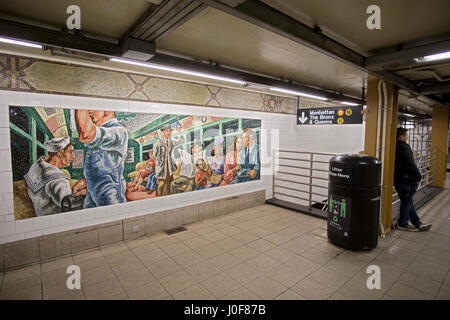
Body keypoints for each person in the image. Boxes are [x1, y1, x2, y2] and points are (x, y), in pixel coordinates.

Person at [75, 109, 128, 208]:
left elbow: (86, 134)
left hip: (110, 199)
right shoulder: (102, 131)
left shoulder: (119, 132)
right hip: (91, 195)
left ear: (107, 110)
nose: (89, 111)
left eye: (93, 107)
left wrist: (79, 106)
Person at [24, 137, 86, 216]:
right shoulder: (59, 180)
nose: (74, 156)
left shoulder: (37, 166)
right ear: (60, 153)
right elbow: (71, 207)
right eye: (70, 152)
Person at [394, 127, 431, 232]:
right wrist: (418, 177)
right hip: (406, 180)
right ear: (401, 137)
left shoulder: (393, 146)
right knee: (407, 201)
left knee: (407, 201)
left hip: (397, 179)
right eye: (406, 135)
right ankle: (403, 223)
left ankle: (417, 223)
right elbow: (410, 164)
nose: (407, 137)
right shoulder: (404, 148)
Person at [153, 124, 184, 196]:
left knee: (169, 183)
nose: (169, 133)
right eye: (167, 131)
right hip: (162, 167)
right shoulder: (158, 143)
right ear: (163, 132)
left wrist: (179, 133)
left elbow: (181, 140)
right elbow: (154, 155)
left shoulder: (172, 141)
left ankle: (169, 198)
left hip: (170, 166)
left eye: (170, 131)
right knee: (161, 184)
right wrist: (159, 163)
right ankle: (160, 198)